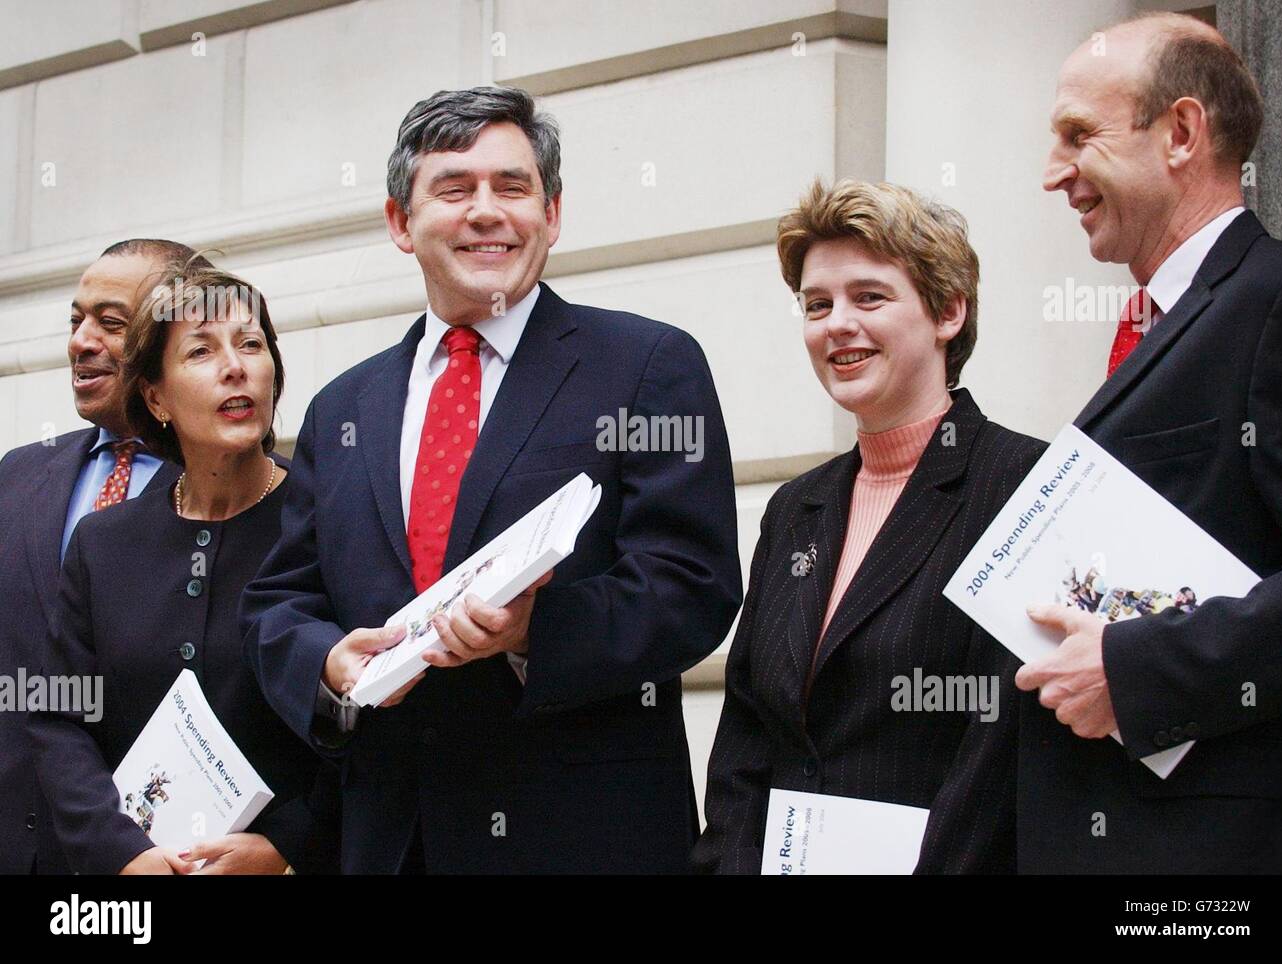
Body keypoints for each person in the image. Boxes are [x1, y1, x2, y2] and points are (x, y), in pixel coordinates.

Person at [240, 86, 742, 873]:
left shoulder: (645, 366)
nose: (486, 211)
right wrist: (331, 666)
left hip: (579, 838)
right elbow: (280, 600)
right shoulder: (346, 405)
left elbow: (692, 584)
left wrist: (533, 632)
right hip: (389, 841)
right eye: (453, 188)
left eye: (512, 187)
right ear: (400, 223)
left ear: (553, 213)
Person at [693, 180, 1045, 874]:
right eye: (817, 305)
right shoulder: (796, 508)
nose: (836, 325)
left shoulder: (1022, 484)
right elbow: (747, 738)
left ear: (948, 312)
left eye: (869, 297)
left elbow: (1000, 750)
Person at [1023, 11, 1282, 872]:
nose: (1052, 173)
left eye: (1078, 135)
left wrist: (1138, 672)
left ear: (1181, 132)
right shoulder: (1152, 323)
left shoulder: (1281, 299)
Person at [29, 258, 338, 874]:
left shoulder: (329, 520)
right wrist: (125, 855)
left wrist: (287, 847)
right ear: (155, 396)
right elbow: (62, 723)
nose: (235, 367)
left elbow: (367, 718)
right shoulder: (103, 543)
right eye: (202, 351)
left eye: (251, 344)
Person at [0, 240, 191, 874]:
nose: (81, 342)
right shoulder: (17, 477)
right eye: (76, 321)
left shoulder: (247, 493)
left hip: (158, 854)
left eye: (110, 324)